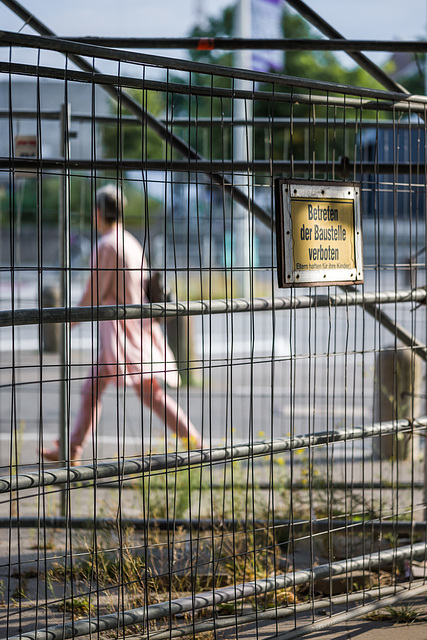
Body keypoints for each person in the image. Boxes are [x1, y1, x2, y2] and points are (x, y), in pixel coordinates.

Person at [42, 184, 202, 464]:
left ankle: (194, 442)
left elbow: (93, 293)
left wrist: (69, 322)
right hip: (136, 327)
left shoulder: (106, 246)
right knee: (127, 391)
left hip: (120, 334)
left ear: (99, 212)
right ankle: (73, 448)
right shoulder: (129, 240)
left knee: (134, 392)